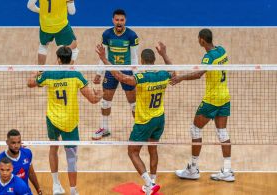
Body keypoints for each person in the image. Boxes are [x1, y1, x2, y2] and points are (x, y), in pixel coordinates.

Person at [96, 41, 172, 195]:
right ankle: (153, 181)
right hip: (159, 118)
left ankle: (149, 184)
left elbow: (121, 77)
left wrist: (105, 60)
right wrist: (164, 53)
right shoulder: (164, 75)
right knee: (153, 148)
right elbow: (174, 71)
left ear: (142, 61)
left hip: (144, 121)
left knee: (132, 152)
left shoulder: (142, 77)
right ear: (154, 60)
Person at [27, 46, 102, 195]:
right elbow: (93, 99)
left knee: (53, 149)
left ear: (59, 59)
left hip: (53, 119)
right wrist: (99, 95)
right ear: (70, 59)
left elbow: (30, 83)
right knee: (71, 156)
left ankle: (56, 185)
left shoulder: (49, 75)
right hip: (70, 122)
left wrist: (35, 72)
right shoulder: (76, 76)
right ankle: (73, 190)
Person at [172, 29, 234, 182]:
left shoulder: (208, 58)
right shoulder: (222, 50)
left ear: (201, 41)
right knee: (222, 132)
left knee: (195, 129)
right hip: (225, 97)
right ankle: (227, 170)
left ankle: (193, 169)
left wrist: (180, 78)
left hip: (212, 100)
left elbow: (198, 74)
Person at [92, 9, 139, 140]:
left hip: (127, 71)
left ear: (125, 21)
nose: (119, 22)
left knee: (134, 104)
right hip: (111, 71)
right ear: (113, 20)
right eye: (117, 20)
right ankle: (104, 128)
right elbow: (104, 55)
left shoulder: (132, 36)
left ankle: (139, 129)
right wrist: (99, 73)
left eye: (121, 20)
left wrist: (137, 76)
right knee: (105, 102)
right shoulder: (107, 34)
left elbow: (134, 58)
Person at [27, 0, 78, 65]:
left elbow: (29, 6)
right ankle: (65, 72)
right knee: (74, 48)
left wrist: (41, 11)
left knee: (43, 46)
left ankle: (40, 72)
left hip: (45, 26)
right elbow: (72, 12)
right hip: (61, 26)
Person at [0, 129, 42, 194]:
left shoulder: (27, 153)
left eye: (18, 142)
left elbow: (31, 173)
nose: (16, 146)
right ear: (7, 142)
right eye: (13, 143)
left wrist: (38, 189)